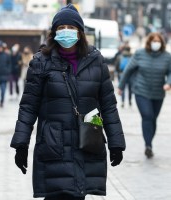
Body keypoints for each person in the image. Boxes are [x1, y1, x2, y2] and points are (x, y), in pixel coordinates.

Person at [10, 4, 126, 200]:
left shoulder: (96, 60)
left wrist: (116, 143)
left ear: (80, 32)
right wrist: (21, 144)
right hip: (54, 141)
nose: (66, 32)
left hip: (89, 137)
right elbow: (29, 106)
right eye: (61, 28)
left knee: (78, 193)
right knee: (59, 193)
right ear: (54, 32)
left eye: (70, 28)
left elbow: (108, 105)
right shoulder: (41, 62)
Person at [118, 32, 171, 159]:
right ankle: (148, 145)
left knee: (153, 119)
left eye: (158, 41)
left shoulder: (167, 56)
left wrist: (168, 83)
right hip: (141, 91)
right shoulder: (140, 54)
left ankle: (148, 142)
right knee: (147, 116)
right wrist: (121, 86)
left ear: (162, 43)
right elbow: (128, 70)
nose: (156, 43)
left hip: (158, 93)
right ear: (149, 42)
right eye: (154, 41)